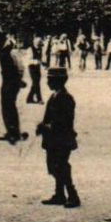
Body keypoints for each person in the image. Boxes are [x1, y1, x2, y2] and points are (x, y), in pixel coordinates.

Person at [36, 66, 80, 208]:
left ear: (58, 81)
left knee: (62, 166)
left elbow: (63, 122)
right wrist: (43, 126)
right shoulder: (55, 96)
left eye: (50, 80)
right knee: (55, 166)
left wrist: (46, 127)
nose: (47, 82)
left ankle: (73, 196)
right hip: (53, 139)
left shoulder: (66, 98)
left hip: (62, 139)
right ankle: (59, 194)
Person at [0, 35, 26, 143]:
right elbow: (21, 67)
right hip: (11, 82)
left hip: (10, 83)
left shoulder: (9, 53)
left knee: (8, 107)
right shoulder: (9, 52)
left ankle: (13, 132)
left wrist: (18, 79)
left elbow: (19, 67)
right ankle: (13, 130)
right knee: (9, 107)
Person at [25, 38, 44, 104]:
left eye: (40, 44)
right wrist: (36, 61)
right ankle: (39, 99)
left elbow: (40, 58)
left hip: (37, 67)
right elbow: (28, 60)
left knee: (36, 82)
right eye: (39, 44)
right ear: (35, 43)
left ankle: (29, 98)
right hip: (32, 67)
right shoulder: (30, 49)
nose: (40, 46)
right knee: (36, 82)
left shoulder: (40, 49)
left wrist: (43, 63)